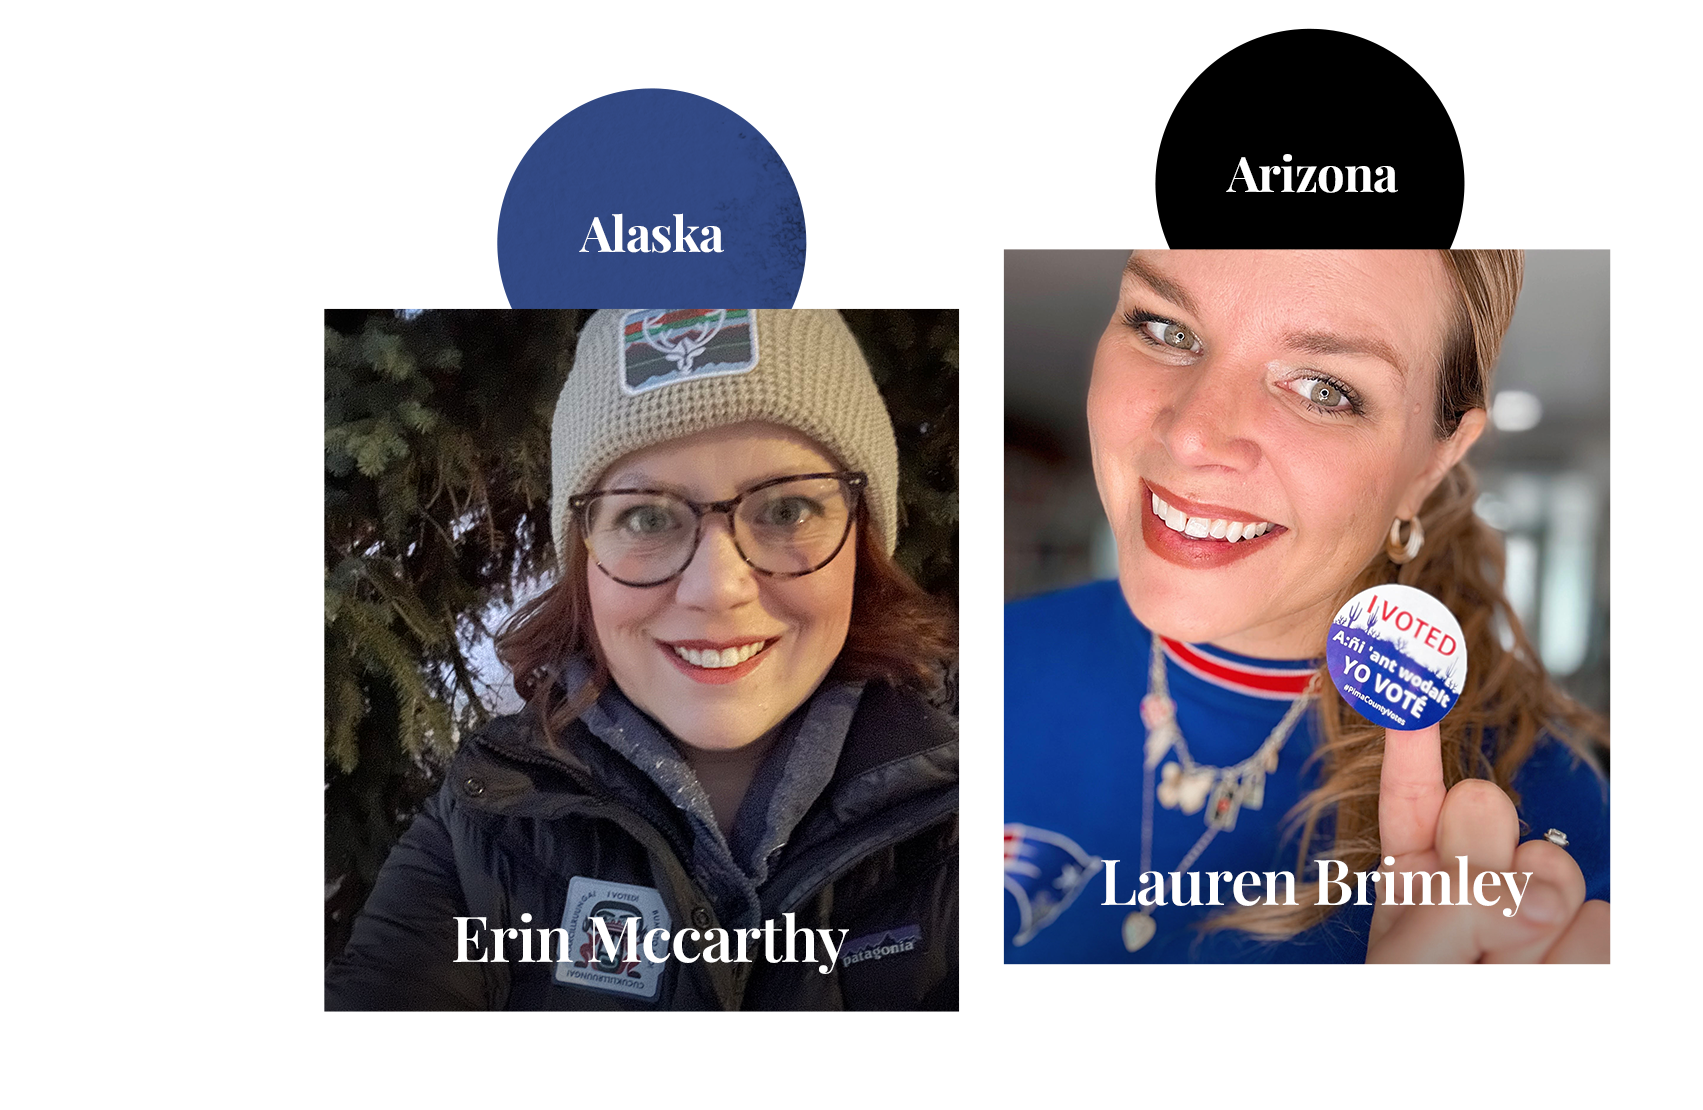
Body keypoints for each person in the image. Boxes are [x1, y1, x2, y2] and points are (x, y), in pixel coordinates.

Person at [328, 308, 958, 1008]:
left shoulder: (977, 819)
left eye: (787, 511)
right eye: (648, 517)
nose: (718, 588)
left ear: (864, 541)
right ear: (584, 557)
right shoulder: (483, 826)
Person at [1004, 251, 1609, 963]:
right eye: (1166, 328)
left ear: (1429, 465)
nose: (1193, 434)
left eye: (1324, 388)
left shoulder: (1541, 848)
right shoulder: (979, 667)